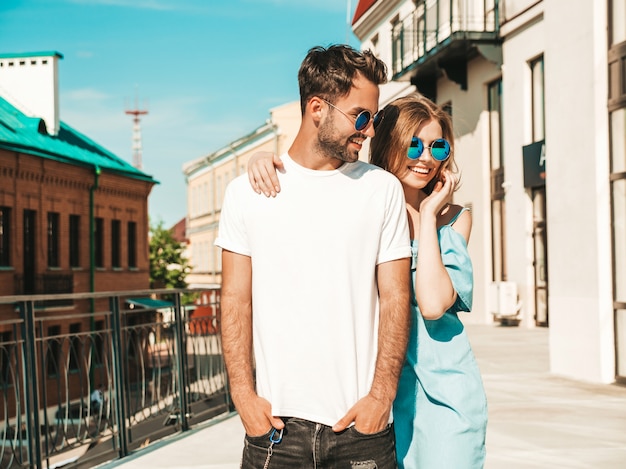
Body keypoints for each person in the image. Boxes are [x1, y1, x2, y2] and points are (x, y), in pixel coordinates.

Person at [248, 92, 488, 469]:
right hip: (375, 394)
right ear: (389, 143)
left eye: (437, 146)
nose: (426, 157)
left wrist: (427, 215)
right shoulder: (362, 203)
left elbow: (432, 303)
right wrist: (263, 161)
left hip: (444, 393)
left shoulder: (453, 218)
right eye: (413, 144)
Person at [215, 44, 412, 469]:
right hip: (275, 430)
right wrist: (243, 397)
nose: (370, 130)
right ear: (317, 108)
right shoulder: (246, 193)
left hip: (363, 431)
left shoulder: (381, 190)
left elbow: (396, 297)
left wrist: (382, 396)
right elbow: (234, 300)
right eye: (361, 117)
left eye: (374, 119)